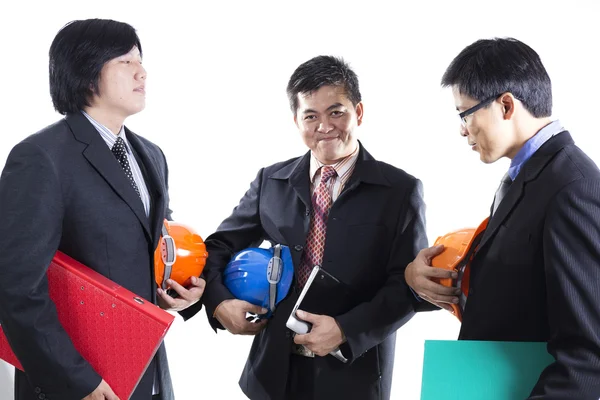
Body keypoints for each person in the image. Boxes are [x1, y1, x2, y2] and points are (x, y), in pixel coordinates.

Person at [194, 55, 427, 400]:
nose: (324, 126)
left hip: (354, 371)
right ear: (296, 120)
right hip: (273, 371)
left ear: (358, 113)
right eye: (311, 116)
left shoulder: (400, 190)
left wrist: (346, 330)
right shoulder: (271, 181)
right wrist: (218, 303)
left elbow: (409, 286)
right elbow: (218, 247)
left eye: (336, 112)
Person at [0, 19, 204, 400]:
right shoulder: (41, 157)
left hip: (146, 374)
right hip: (80, 383)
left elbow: (153, 247)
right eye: (126, 61)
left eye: (141, 60)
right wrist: (77, 381)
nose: (142, 71)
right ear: (87, 70)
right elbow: (15, 289)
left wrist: (180, 292)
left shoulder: (151, 155)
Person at [405, 37, 600, 398]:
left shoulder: (573, 187)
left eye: (465, 114)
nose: (463, 130)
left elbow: (588, 356)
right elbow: (517, 296)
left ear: (506, 105)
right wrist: (420, 279)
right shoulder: (526, 176)